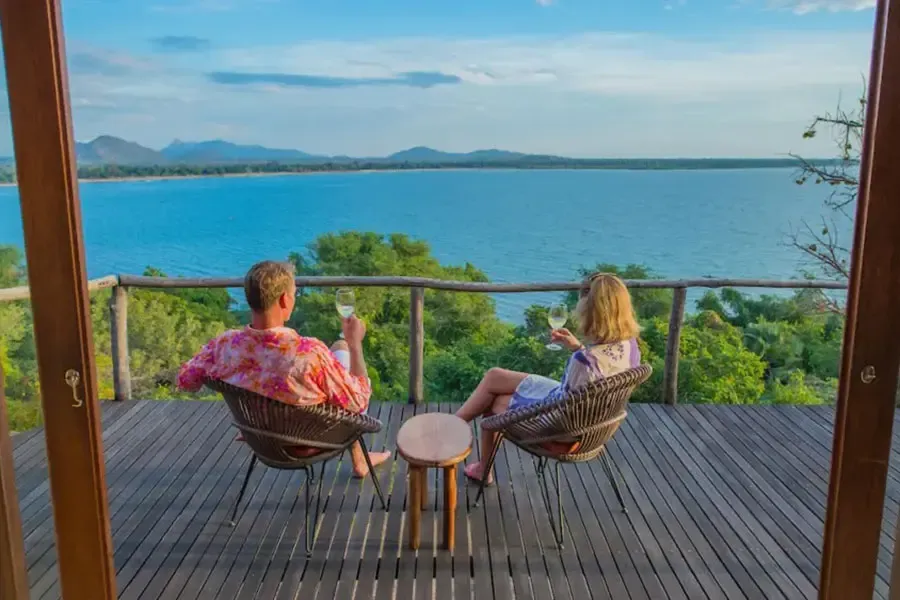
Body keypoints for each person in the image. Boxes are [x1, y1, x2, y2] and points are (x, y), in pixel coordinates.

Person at [177, 260, 391, 478]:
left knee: (337, 350)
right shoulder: (309, 354)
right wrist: (355, 344)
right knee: (343, 353)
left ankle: (360, 458)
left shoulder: (226, 345)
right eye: (294, 294)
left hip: (260, 437)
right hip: (308, 440)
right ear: (284, 299)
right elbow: (359, 401)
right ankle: (360, 459)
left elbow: (186, 381)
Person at [455, 272, 641, 484]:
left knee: (492, 405)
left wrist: (520, 411)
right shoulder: (630, 346)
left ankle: (472, 458)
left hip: (564, 431)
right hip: (595, 424)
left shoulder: (584, 362)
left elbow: (562, 414)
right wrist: (577, 347)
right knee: (495, 376)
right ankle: (453, 427)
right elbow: (595, 379)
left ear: (593, 314)